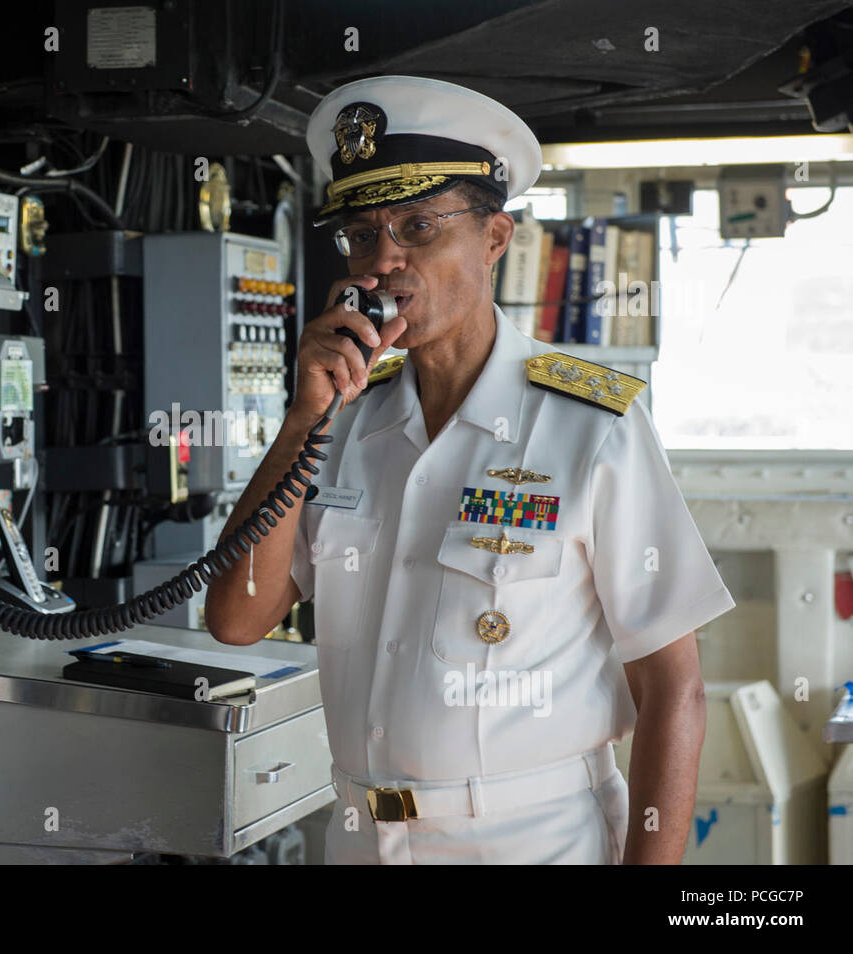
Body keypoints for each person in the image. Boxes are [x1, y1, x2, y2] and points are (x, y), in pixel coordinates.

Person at [204, 75, 736, 864]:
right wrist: (302, 417)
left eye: (418, 226)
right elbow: (237, 618)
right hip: (358, 835)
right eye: (360, 236)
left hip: (528, 840)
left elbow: (674, 691)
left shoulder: (592, 425)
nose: (384, 261)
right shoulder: (342, 423)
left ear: (496, 238)